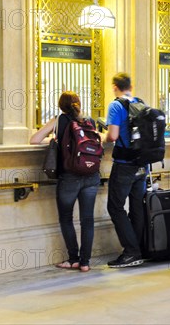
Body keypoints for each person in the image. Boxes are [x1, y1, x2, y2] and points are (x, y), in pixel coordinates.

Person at [30, 91, 100, 273]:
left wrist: (54, 138)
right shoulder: (90, 121)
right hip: (91, 175)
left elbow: (34, 140)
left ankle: (73, 259)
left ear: (61, 106)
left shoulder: (59, 121)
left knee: (66, 218)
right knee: (88, 220)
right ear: (79, 103)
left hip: (69, 177)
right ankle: (85, 262)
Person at [105, 73, 146, 268]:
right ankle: (137, 250)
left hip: (124, 164)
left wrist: (101, 136)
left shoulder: (116, 105)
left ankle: (131, 251)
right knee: (136, 206)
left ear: (114, 87)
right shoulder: (141, 102)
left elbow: (112, 136)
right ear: (131, 85)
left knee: (115, 207)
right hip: (142, 164)